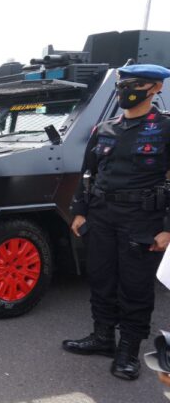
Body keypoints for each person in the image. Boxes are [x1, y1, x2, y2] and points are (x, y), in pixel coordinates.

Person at [65, 64, 170, 380]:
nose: (126, 91)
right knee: (101, 279)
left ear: (156, 88)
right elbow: (88, 173)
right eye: (122, 85)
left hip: (142, 220)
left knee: (135, 287)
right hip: (101, 216)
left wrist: (167, 227)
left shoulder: (165, 128)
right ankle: (102, 338)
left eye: (135, 85)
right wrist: (80, 210)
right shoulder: (104, 128)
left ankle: (128, 351)